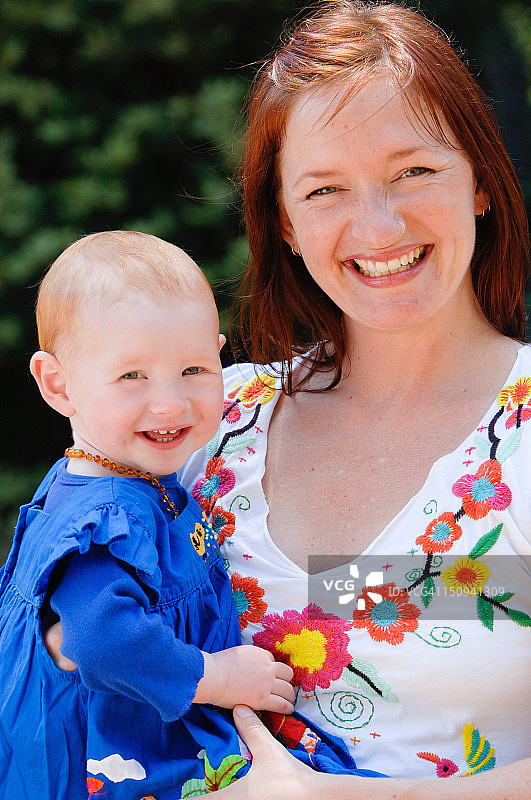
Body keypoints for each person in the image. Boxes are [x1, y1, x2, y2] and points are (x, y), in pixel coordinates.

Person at [176, 1, 531, 798]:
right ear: (287, 226)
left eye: (413, 171)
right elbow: (53, 643)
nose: (377, 224)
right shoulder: (203, 423)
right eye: (325, 189)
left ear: (479, 181)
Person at [0, 230, 379, 800]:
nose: (171, 402)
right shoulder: (103, 516)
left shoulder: (134, 481)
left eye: (195, 370)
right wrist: (218, 676)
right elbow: (94, 639)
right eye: (132, 376)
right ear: (58, 384)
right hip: (136, 764)